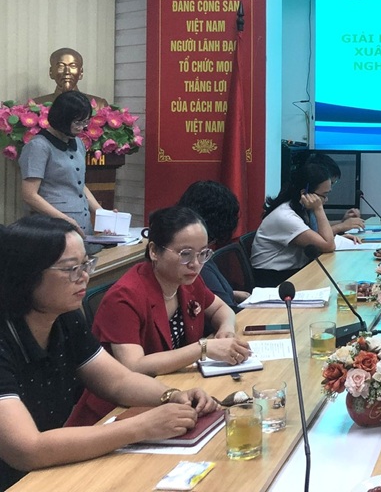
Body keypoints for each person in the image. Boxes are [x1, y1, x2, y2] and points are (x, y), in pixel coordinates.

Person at [0, 216, 216, 491]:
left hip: (49, 470)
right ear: (27, 275)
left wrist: (172, 395)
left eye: (86, 264)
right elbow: (26, 449)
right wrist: (140, 427)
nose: (84, 276)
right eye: (71, 269)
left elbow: (118, 381)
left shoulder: (64, 317)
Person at [68, 206, 251, 425]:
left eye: (203, 254)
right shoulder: (125, 296)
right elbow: (134, 366)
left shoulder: (187, 280)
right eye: (185, 254)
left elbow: (223, 310)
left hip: (172, 392)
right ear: (154, 251)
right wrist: (204, 348)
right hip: (118, 411)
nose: (195, 264)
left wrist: (226, 331)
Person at [18, 90, 102, 236]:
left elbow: (79, 185)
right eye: (77, 122)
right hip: (53, 227)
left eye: (85, 122)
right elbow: (29, 195)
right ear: (62, 118)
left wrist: (101, 213)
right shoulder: (38, 146)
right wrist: (65, 220)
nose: (81, 127)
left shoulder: (78, 143)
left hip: (82, 223)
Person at [251, 162, 336, 287]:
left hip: (291, 272)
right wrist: (318, 208)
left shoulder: (299, 208)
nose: (326, 199)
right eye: (324, 195)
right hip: (273, 279)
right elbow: (328, 245)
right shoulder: (286, 217)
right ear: (305, 193)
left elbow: (320, 236)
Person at [177, 180, 251, 321]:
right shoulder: (197, 264)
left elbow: (208, 294)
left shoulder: (203, 255)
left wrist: (232, 293)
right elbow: (227, 309)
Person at [302, 152, 365, 236]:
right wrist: (342, 226)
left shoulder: (312, 203)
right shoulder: (295, 211)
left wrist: (343, 222)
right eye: (331, 183)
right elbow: (315, 237)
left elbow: (320, 226)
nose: (330, 188)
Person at [32, 48, 108, 108]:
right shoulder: (36, 105)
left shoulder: (98, 105)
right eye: (61, 66)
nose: (67, 72)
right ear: (51, 72)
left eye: (73, 66)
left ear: (81, 72)